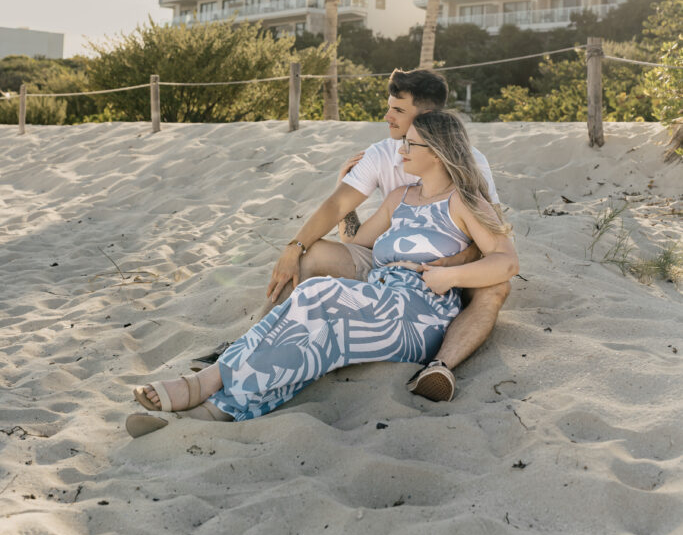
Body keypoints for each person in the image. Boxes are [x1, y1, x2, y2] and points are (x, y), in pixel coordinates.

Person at [127, 110, 518, 436]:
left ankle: (207, 383)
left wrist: (450, 278)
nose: (401, 150)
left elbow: (507, 262)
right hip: (379, 296)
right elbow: (357, 245)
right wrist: (343, 194)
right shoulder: (399, 198)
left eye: (410, 144)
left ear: (436, 152)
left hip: (420, 312)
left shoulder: (464, 202)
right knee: (311, 334)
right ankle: (217, 409)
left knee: (318, 296)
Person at [189, 68, 510, 402]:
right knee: (312, 254)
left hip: (448, 269)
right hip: (389, 261)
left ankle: (440, 366)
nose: (387, 116)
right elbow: (341, 211)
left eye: (398, 109)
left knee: (497, 286)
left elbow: (492, 233)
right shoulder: (382, 155)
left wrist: (454, 263)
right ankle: (248, 344)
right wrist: (294, 247)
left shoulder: (468, 160)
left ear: (426, 117)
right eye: (389, 107)